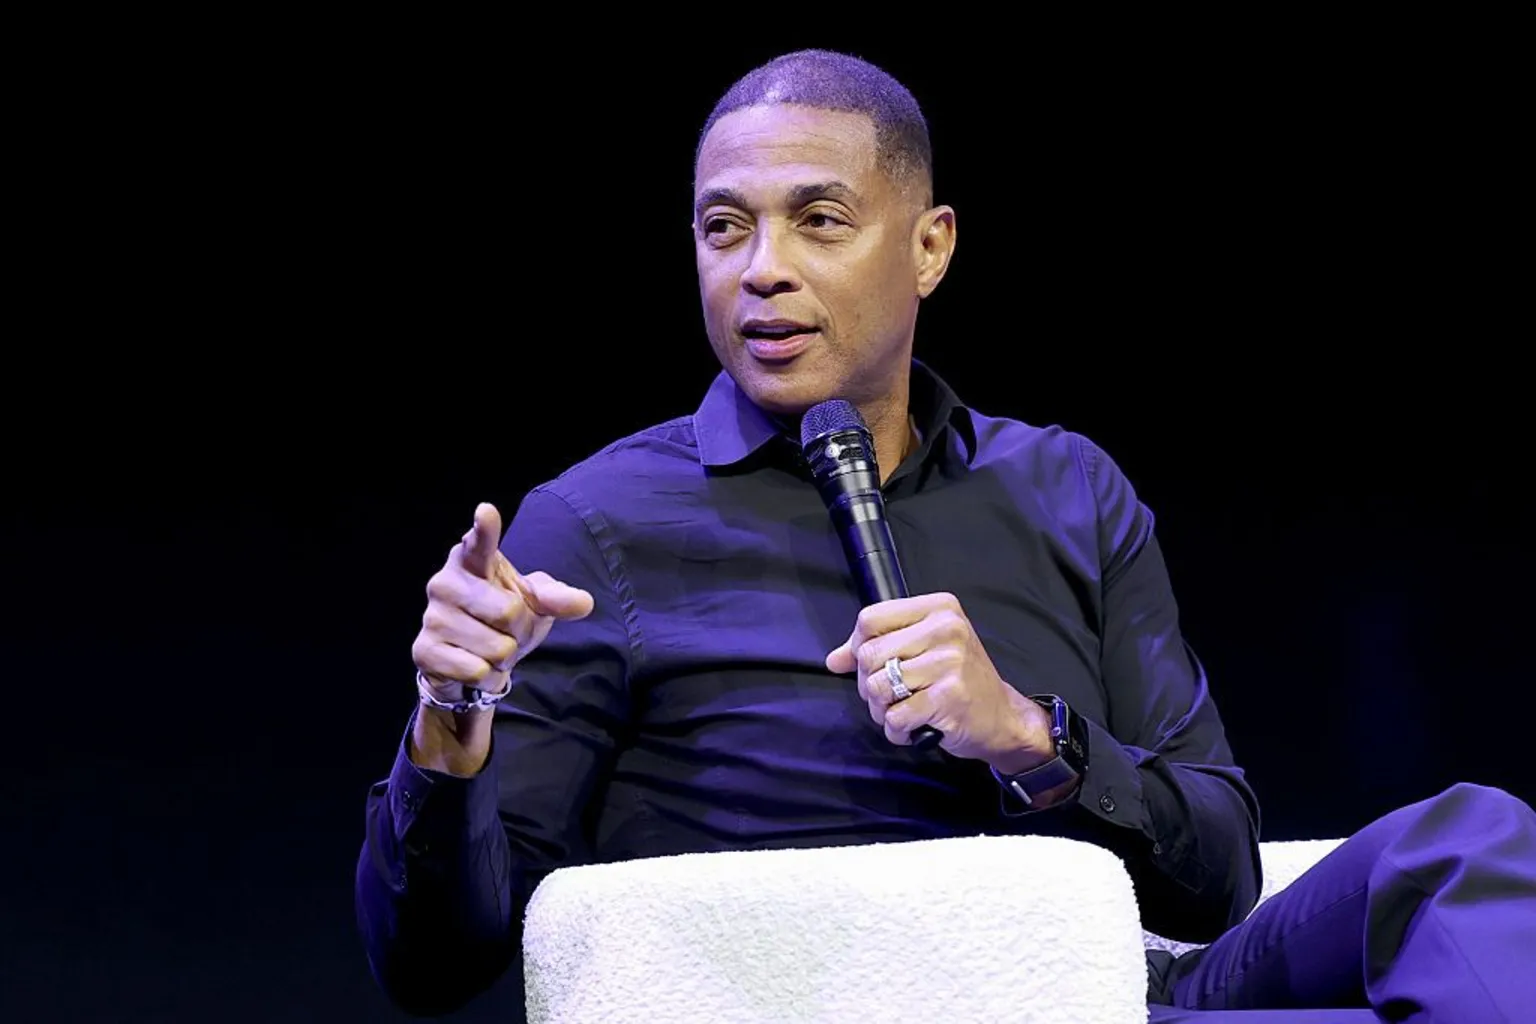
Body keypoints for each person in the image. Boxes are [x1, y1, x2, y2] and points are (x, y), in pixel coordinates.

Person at [355, 49, 1536, 1023]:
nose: (762, 271)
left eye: (819, 221)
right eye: (724, 229)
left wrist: (1028, 736)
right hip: (844, 998)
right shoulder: (596, 523)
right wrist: (450, 727)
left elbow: (1220, 870)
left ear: (930, 247)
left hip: (1121, 994)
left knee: (1469, 845)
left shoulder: (1066, 488)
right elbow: (432, 966)